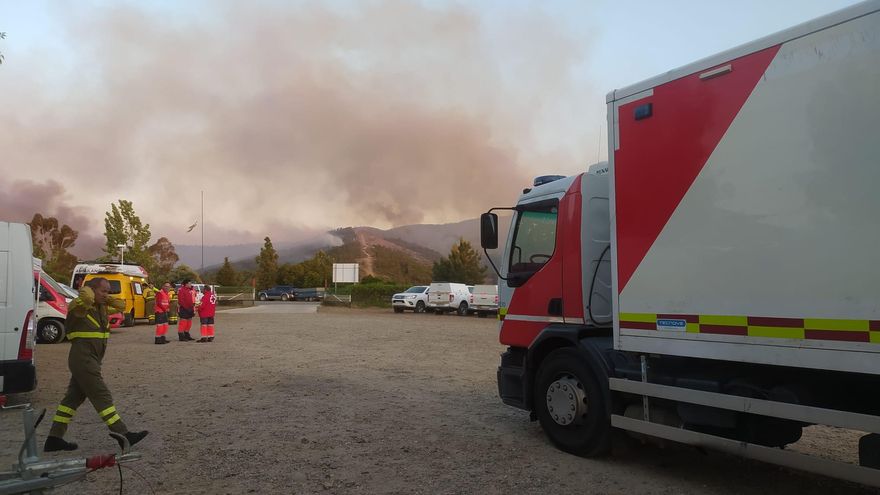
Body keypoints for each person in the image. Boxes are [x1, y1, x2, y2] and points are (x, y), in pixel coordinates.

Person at [45, 277, 149, 452]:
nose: (107, 295)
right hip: (83, 359)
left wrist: (105, 297)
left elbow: (120, 306)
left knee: (72, 399)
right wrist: (87, 291)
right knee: (101, 394)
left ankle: (54, 438)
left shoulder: (100, 307)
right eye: (104, 291)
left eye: (108, 291)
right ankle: (123, 434)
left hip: (91, 359)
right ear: (92, 291)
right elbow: (84, 300)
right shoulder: (79, 305)